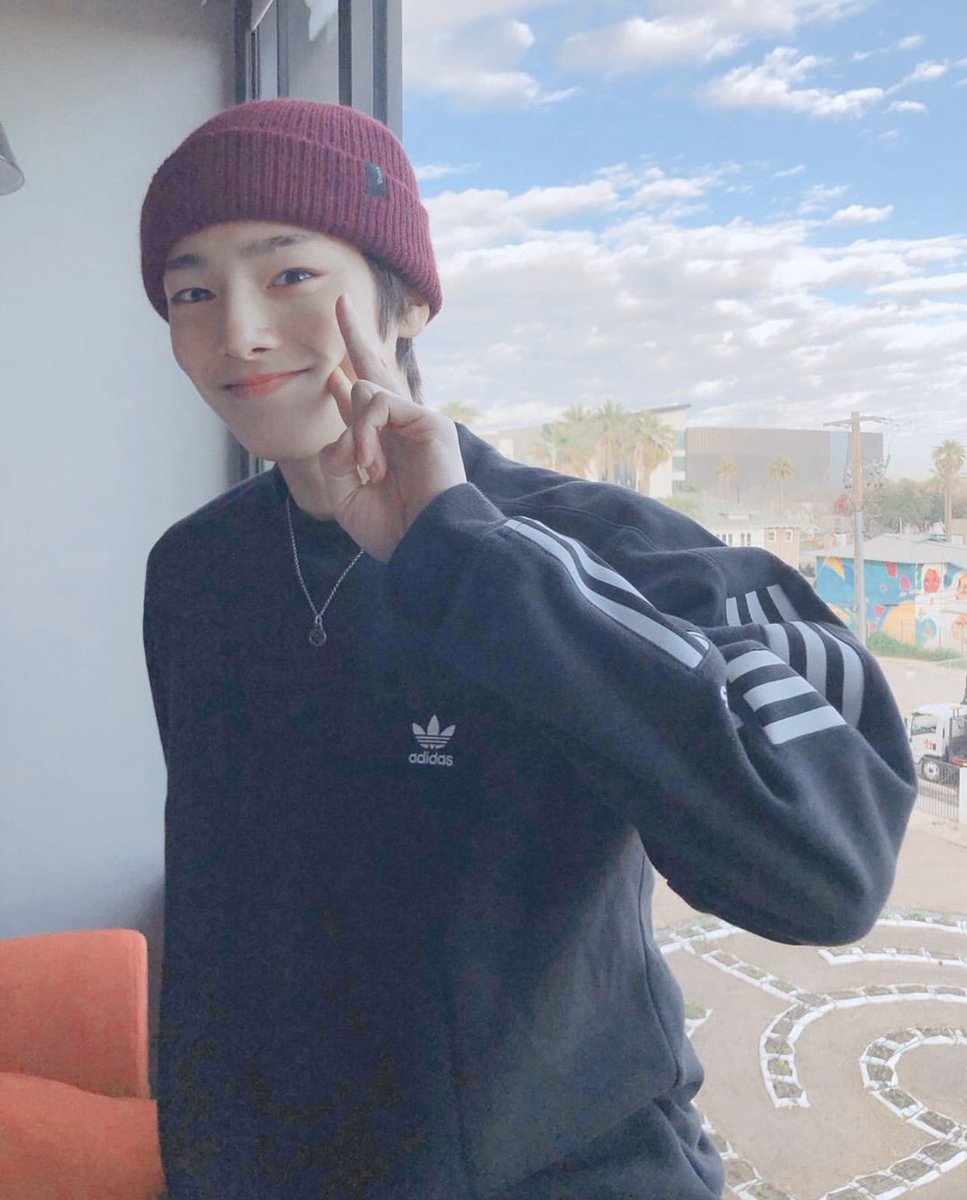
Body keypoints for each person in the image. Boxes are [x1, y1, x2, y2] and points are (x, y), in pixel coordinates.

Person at [139, 99, 917, 1200]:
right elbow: (218, 916)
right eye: (192, 293)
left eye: (291, 273)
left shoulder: (614, 545)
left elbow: (827, 869)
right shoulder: (196, 571)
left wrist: (472, 562)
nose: (240, 333)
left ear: (406, 302)